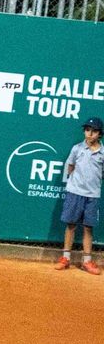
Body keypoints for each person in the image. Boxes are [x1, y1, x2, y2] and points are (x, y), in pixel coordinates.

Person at [55, 116, 104, 274]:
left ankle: (87, 262)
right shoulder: (77, 149)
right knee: (70, 225)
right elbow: (70, 166)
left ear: (100, 134)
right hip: (74, 192)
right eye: (87, 130)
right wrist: (73, 184)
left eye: (94, 131)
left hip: (93, 195)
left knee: (88, 228)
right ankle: (66, 258)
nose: (89, 134)